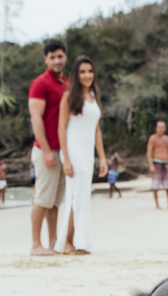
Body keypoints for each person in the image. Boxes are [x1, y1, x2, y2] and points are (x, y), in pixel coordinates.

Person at [56, 55, 108, 254]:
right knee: (75, 196)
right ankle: (68, 243)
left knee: (82, 196)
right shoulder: (69, 97)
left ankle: (78, 242)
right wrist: (66, 160)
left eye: (90, 71)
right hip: (73, 151)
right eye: (83, 72)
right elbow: (61, 128)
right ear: (76, 75)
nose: (87, 75)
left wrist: (102, 157)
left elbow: (96, 130)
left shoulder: (93, 96)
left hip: (87, 152)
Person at [28, 39, 68, 256]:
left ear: (65, 57)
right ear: (45, 59)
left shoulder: (65, 84)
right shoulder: (40, 83)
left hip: (61, 151)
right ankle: (36, 244)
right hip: (46, 150)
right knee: (42, 199)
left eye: (60, 56)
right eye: (52, 57)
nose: (56, 60)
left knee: (54, 202)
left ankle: (53, 241)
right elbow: (36, 118)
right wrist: (45, 150)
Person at [146, 120, 168, 209]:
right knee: (155, 185)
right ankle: (157, 204)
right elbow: (149, 152)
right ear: (156, 128)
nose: (161, 129)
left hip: (165, 162)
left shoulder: (166, 138)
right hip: (157, 162)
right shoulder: (153, 138)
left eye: (163, 127)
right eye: (160, 127)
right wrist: (151, 165)